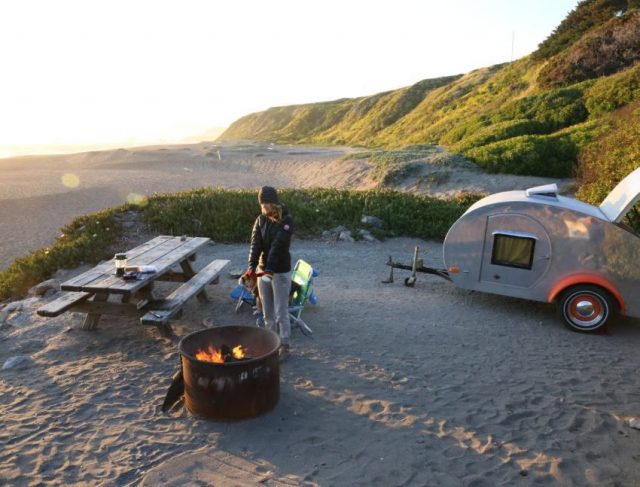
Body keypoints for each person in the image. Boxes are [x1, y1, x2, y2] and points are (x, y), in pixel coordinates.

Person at [245, 186, 294, 359]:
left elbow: (278, 247)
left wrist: (270, 271)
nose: (264, 207)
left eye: (266, 204)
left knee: (281, 312)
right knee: (267, 313)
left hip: (279, 271)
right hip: (262, 270)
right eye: (262, 204)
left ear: (274, 203)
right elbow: (255, 244)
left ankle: (285, 346)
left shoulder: (286, 221)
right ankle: (270, 344)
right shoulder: (260, 220)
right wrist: (252, 268)